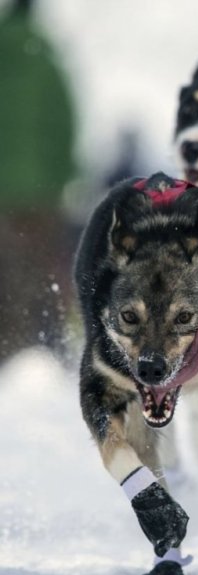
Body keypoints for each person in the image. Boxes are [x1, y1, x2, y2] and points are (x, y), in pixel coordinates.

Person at [0, 0, 77, 363]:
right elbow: (64, 121)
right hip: (39, 197)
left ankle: (8, 357)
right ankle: (40, 357)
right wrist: (63, 176)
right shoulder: (44, 57)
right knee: (41, 281)